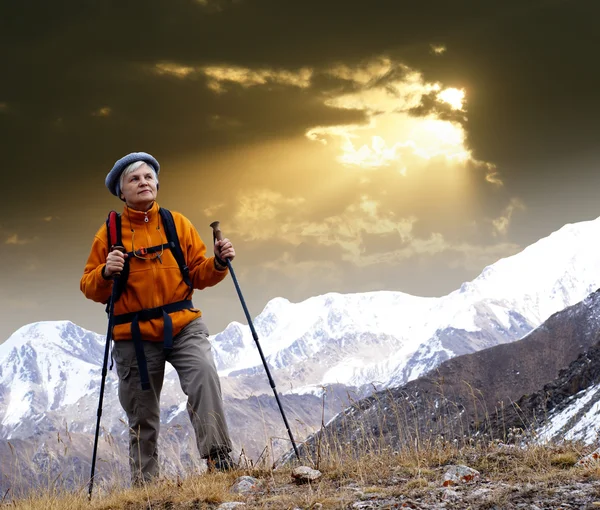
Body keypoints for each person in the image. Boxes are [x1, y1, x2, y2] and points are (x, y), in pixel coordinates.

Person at [80, 152, 235, 485]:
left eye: (148, 177)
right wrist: (106, 272)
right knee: (142, 415)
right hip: (133, 335)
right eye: (134, 179)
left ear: (157, 184)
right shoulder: (108, 234)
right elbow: (89, 287)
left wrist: (219, 263)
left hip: (183, 324)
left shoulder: (176, 223)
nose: (143, 183)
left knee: (204, 375)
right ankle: (146, 490)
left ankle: (219, 461)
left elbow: (197, 274)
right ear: (122, 192)